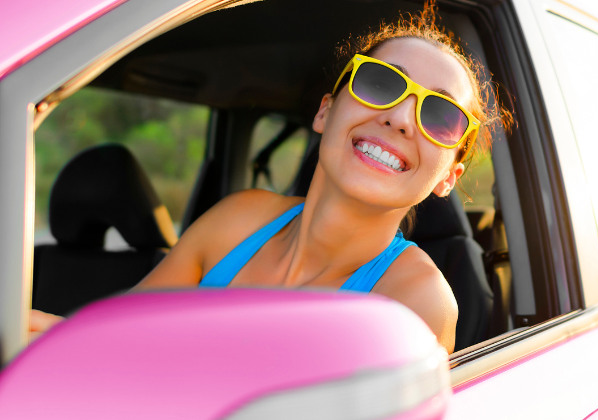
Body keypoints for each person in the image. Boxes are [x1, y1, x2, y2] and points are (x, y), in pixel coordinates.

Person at [30, 1, 511, 353]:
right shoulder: (238, 219)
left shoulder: (415, 303)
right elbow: (106, 341)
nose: (402, 119)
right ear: (326, 111)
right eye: (380, 83)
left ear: (449, 176)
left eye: (441, 116)